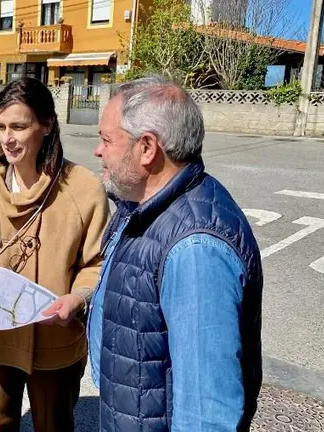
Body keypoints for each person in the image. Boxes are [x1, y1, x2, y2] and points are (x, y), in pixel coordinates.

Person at [0, 77, 111, 431]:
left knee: (53, 426)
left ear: (47, 124)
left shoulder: (83, 188)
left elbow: (97, 263)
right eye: (1, 127)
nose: (7, 138)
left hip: (56, 340)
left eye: (19, 126)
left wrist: (78, 298)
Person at [88, 75, 263, 431]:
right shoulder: (140, 204)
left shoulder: (196, 249)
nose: (98, 151)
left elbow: (207, 414)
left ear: (147, 148)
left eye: (107, 140)